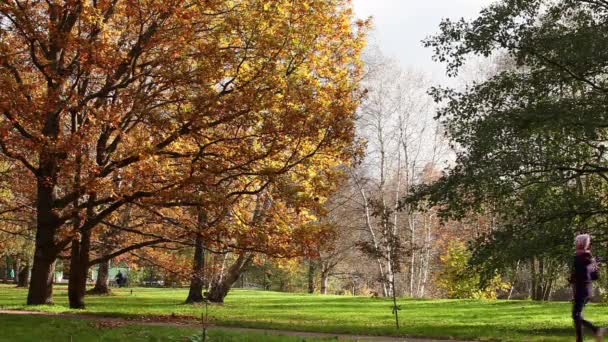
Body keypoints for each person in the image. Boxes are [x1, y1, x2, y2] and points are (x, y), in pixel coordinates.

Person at [570, 234, 605, 342]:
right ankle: (580, 339)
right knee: (577, 315)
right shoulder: (588, 257)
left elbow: (580, 275)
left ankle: (596, 330)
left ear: (580, 244)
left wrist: (573, 278)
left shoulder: (580, 257)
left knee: (576, 315)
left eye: (577, 242)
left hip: (582, 289)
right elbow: (594, 277)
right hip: (586, 290)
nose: (576, 244)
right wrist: (595, 266)